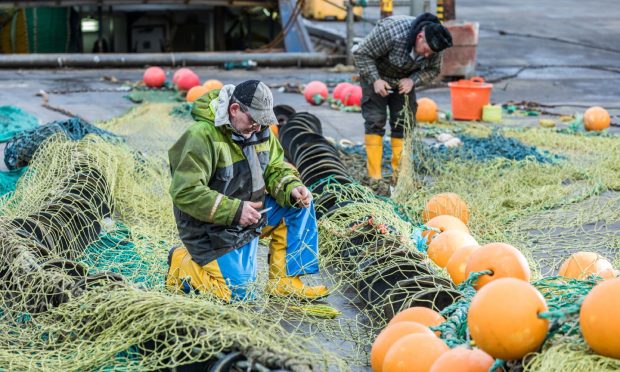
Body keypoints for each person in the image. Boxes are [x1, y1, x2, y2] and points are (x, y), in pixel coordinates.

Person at [166, 80, 328, 302]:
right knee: (241, 296)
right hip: (211, 227)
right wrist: (234, 210)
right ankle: (181, 263)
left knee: (299, 206)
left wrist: (292, 187)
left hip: (251, 214)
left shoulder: (260, 131)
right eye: (253, 120)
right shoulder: (201, 136)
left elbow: (275, 168)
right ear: (234, 110)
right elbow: (185, 192)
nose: (258, 128)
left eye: (263, 122)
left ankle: (285, 281)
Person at [353, 13, 453, 180]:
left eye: (432, 53)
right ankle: (374, 177)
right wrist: (375, 79)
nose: (428, 55)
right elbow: (362, 54)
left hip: (404, 82)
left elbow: (434, 70)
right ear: (420, 37)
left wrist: (413, 80)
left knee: (404, 121)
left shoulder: (435, 44)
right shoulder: (392, 31)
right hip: (376, 74)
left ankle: (399, 175)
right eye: (426, 50)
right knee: (375, 120)